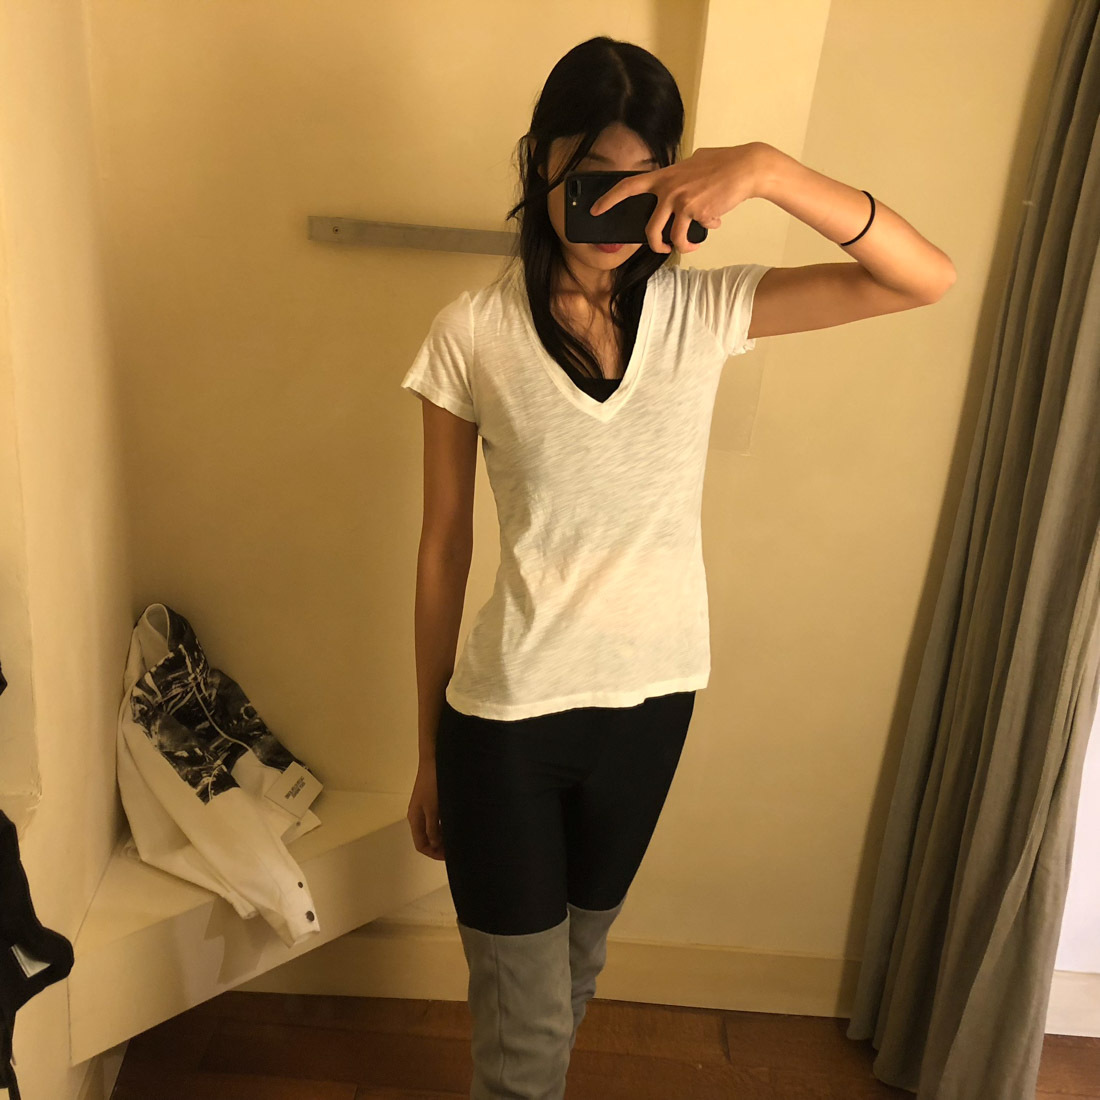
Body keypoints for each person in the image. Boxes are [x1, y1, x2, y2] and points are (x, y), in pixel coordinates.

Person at [401, 36, 772, 1100]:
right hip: (507, 722)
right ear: (542, 166)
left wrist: (765, 168)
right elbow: (444, 545)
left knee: (570, 979)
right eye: (589, 177)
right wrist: (426, 751)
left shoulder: (701, 312)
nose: (610, 205)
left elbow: (920, 278)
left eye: (640, 179)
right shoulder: (472, 331)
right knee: (523, 1035)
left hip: (651, 710)